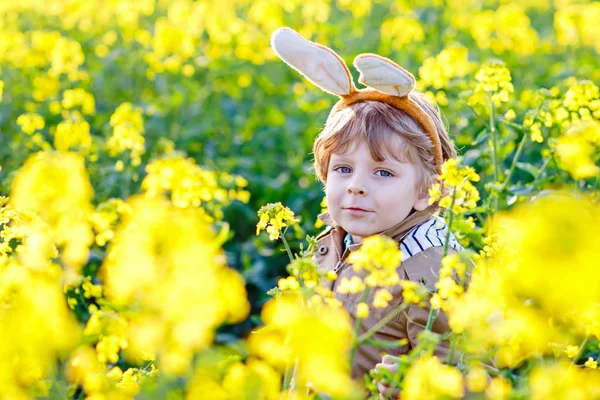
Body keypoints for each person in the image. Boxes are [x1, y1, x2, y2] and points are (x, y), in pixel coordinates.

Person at [271, 27, 462, 395]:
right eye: (343, 169)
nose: (356, 185)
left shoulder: (430, 268)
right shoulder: (335, 240)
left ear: (428, 190)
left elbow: (470, 369)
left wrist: (409, 384)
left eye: (383, 172)